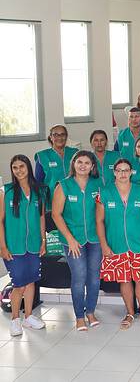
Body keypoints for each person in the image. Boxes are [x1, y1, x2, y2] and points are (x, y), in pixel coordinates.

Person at [96, 158, 140, 329]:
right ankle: (130, 313)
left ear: (131, 172)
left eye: (126, 170)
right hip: (116, 244)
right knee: (124, 280)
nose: (122, 173)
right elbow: (99, 221)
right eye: (119, 170)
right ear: (114, 172)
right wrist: (104, 245)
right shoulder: (104, 193)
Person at [51, 150, 103, 331]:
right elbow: (56, 215)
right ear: (73, 164)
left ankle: (91, 312)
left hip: (95, 238)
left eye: (87, 163)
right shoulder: (63, 185)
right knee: (79, 277)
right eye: (79, 162)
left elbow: (103, 212)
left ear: (92, 166)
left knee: (94, 278)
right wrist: (70, 239)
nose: (83, 166)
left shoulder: (98, 184)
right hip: (72, 240)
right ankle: (80, 316)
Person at [0, 155, 47, 336]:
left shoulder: (39, 191)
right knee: (19, 285)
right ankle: (15, 319)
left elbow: (41, 217)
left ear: (28, 167)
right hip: (13, 247)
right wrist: (3, 247)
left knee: (31, 281)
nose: (19, 170)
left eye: (22, 166)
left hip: (33, 245)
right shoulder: (6, 191)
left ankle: (28, 317)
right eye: (15, 167)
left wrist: (43, 241)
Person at [35, 124, 77, 210]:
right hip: (52, 200)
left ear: (66, 136)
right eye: (55, 135)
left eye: (62, 134)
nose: (59, 137)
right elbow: (39, 183)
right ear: (51, 137)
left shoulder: (75, 153)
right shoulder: (42, 156)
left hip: (74, 197)